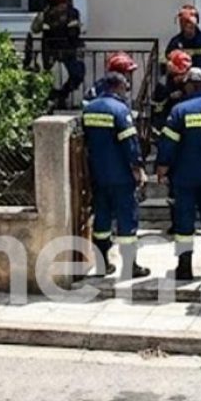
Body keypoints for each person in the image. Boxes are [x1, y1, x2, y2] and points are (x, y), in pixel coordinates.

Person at [155, 67, 201, 283]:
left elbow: (168, 143)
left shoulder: (180, 111)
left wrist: (162, 166)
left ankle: (185, 268)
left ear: (188, 85)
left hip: (184, 177)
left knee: (184, 224)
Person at [82, 72, 149, 279]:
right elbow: (130, 143)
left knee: (101, 218)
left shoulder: (89, 109)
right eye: (126, 87)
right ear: (118, 86)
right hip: (121, 176)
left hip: (98, 175)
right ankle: (130, 266)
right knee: (127, 219)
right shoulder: (120, 110)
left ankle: (102, 265)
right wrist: (138, 168)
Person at [24, 0, 85, 109]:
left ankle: (61, 95)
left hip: (69, 49)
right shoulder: (45, 15)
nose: (62, 7)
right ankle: (50, 100)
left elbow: (78, 29)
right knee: (48, 78)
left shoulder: (73, 13)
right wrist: (42, 14)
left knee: (77, 74)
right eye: (58, 4)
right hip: (50, 50)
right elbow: (34, 29)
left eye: (64, 3)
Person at [150, 49, 193, 143]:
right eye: (178, 74)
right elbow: (157, 108)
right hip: (167, 121)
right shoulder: (163, 84)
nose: (181, 77)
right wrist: (169, 97)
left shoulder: (191, 80)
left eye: (183, 74)